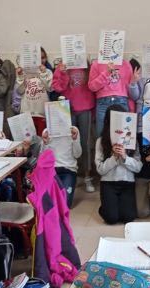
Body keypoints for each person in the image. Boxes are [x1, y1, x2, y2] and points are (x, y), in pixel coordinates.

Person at [52, 62, 96, 193]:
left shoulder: (86, 65)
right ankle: (73, 175)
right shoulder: (62, 66)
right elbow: (57, 88)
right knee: (69, 144)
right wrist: (62, 72)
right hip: (67, 109)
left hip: (85, 108)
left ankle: (87, 176)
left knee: (85, 144)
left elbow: (92, 86)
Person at [95, 105, 142, 224]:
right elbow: (100, 170)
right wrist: (114, 157)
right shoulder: (101, 141)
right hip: (108, 183)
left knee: (128, 218)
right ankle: (106, 206)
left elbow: (138, 167)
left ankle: (113, 205)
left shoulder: (132, 140)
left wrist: (125, 157)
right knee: (111, 219)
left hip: (127, 183)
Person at [88, 59, 133, 135]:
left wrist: (131, 109)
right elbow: (92, 87)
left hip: (121, 101)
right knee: (101, 135)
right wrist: (106, 73)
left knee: (124, 135)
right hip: (103, 102)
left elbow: (130, 89)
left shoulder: (126, 64)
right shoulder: (96, 64)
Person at [42, 126, 82, 208]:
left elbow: (77, 154)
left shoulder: (73, 130)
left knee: (65, 205)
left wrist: (75, 139)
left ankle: (60, 191)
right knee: (48, 204)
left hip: (69, 170)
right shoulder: (46, 132)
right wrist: (45, 143)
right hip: (52, 171)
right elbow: (43, 158)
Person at [16, 47, 53, 135]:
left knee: (41, 139)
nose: (41, 60)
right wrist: (20, 76)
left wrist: (43, 73)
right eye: (38, 58)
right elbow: (20, 91)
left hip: (41, 113)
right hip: (26, 112)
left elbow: (50, 88)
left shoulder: (48, 72)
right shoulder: (23, 73)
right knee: (28, 140)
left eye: (43, 57)